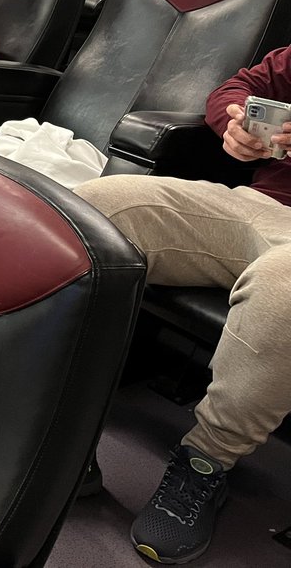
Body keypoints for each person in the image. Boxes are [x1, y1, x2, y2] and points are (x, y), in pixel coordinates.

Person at [74, 47, 291, 564]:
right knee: (92, 206)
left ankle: (205, 464)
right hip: (261, 207)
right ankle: (62, 419)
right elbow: (233, 89)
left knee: (282, 290)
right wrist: (234, 124)